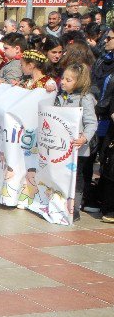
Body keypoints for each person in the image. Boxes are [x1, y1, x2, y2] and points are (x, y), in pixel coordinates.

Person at [55, 64, 97, 221]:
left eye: (68, 80)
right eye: (63, 78)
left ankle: (74, 207)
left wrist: (84, 138)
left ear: (79, 81)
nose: (63, 82)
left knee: (76, 177)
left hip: (78, 148)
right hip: (61, 146)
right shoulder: (61, 96)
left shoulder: (85, 99)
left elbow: (92, 122)